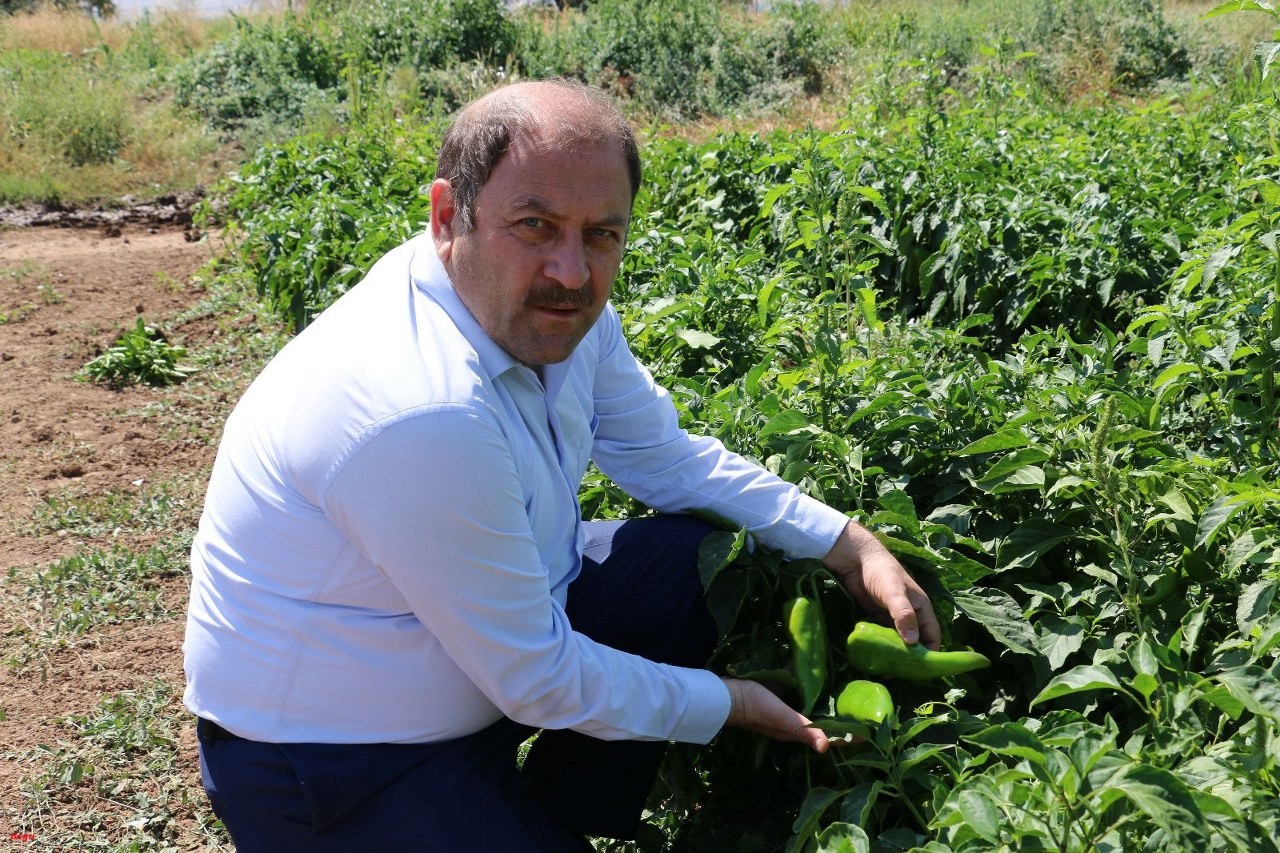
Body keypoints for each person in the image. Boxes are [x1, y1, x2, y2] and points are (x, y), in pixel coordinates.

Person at [183, 78, 940, 852]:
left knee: (686, 564)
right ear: (450, 216)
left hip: (471, 662)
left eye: (601, 234)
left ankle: (545, 816)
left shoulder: (552, 314)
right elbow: (538, 678)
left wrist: (845, 540)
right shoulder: (419, 406)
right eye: (535, 224)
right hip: (336, 756)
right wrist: (731, 702)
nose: (572, 271)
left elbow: (664, 456)